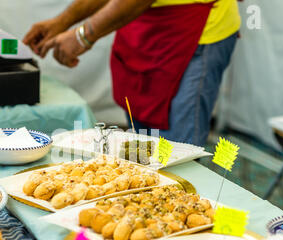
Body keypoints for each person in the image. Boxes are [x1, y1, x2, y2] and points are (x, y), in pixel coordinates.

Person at [23, 0, 240, 146]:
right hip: (145, 31)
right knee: (142, 147)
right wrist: (62, 21)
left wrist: (83, 35)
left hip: (195, 33)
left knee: (176, 152)